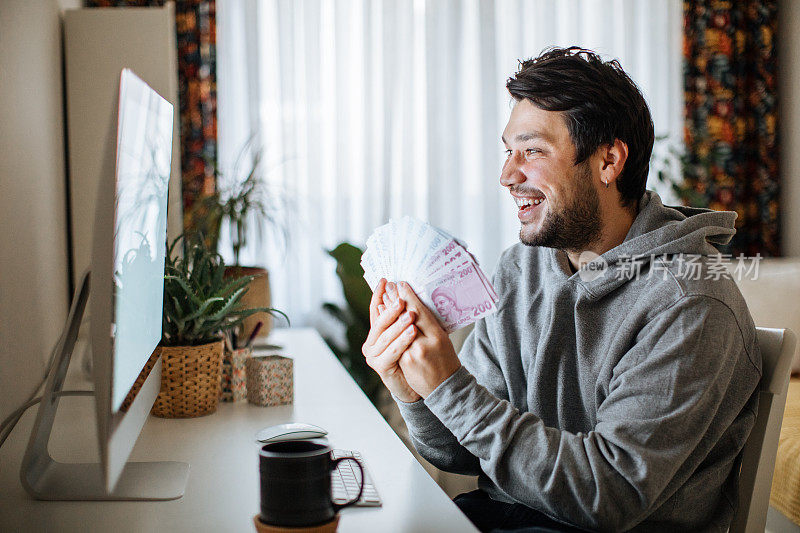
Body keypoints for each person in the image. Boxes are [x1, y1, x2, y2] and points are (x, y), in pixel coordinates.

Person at [361, 47, 761, 532]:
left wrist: (450, 386)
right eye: (508, 151)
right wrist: (413, 390)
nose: (507, 176)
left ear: (608, 160)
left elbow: (608, 495)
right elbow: (462, 453)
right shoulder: (521, 270)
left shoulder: (690, 302)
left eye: (531, 151)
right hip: (506, 517)